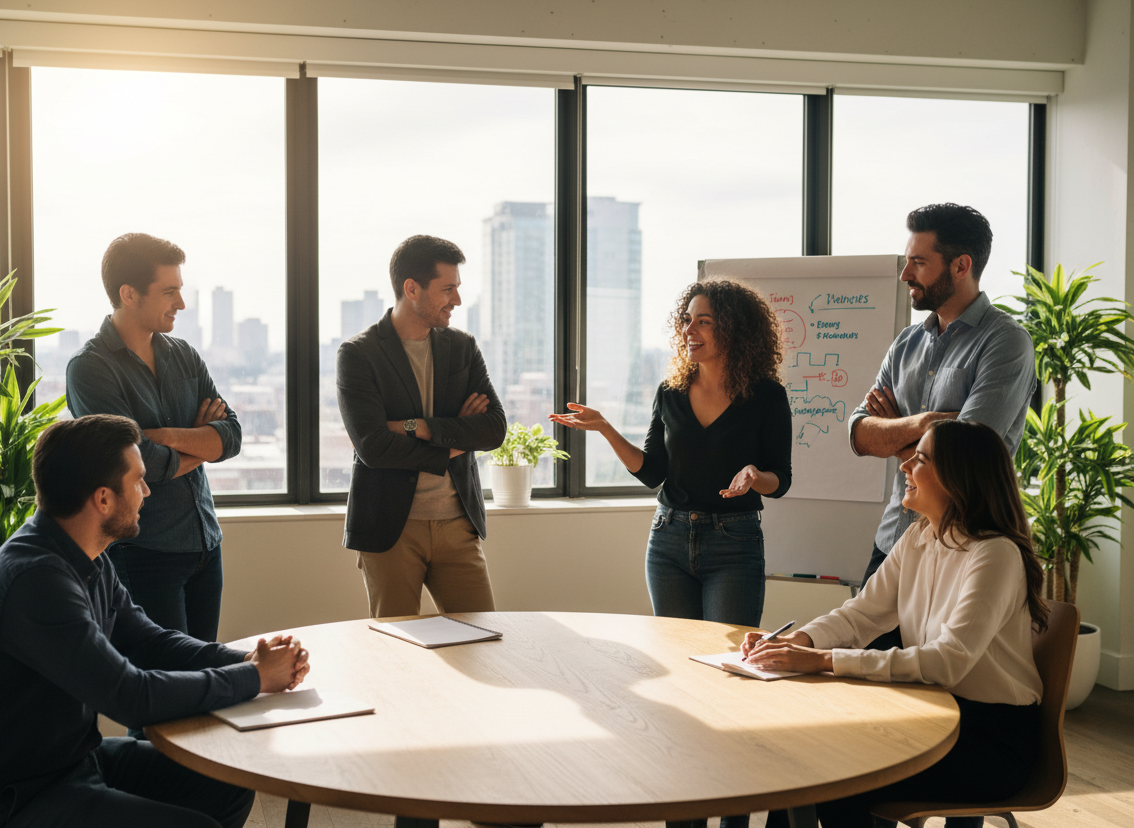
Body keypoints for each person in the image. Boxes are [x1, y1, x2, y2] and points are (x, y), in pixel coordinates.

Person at [0, 415, 309, 828]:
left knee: (227, 779)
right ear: (103, 499)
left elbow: (149, 642)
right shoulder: (35, 581)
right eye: (139, 480)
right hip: (5, 799)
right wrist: (252, 678)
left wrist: (245, 659)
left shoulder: (86, 556)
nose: (146, 492)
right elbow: (131, 696)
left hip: (66, 764)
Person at [743, 419, 1046, 828]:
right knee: (801, 757)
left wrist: (823, 660)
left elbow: (947, 662)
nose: (904, 465)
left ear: (959, 476)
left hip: (990, 737)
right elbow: (862, 614)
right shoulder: (920, 538)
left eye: (919, 458)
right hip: (932, 713)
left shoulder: (995, 554)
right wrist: (799, 640)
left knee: (835, 777)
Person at [551, 278, 792, 626]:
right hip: (669, 539)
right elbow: (651, 472)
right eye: (686, 319)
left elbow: (780, 480)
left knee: (725, 658)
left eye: (703, 321)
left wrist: (755, 476)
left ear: (735, 328)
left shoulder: (767, 395)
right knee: (679, 655)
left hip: (734, 544)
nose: (688, 330)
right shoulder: (671, 391)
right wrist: (605, 428)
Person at [850, 204, 1036, 603]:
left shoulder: (1006, 342)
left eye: (918, 262)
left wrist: (895, 427)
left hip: (961, 549)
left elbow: (963, 456)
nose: (905, 275)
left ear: (961, 266)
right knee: (852, 658)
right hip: (894, 542)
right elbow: (860, 434)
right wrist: (927, 424)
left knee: (933, 666)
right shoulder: (905, 343)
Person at [67, 233, 240, 645]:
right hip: (144, 554)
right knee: (167, 689)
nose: (181, 303)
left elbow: (229, 437)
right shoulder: (90, 370)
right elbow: (139, 463)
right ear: (129, 294)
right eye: (169, 292)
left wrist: (163, 438)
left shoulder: (184, 355)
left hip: (205, 546)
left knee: (206, 677)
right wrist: (199, 441)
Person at [336, 234, 507, 618]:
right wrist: (456, 435)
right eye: (447, 289)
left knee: (482, 643)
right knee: (397, 653)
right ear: (411, 288)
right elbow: (374, 447)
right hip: (390, 529)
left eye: (457, 289)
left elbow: (494, 429)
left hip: (459, 525)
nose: (457, 301)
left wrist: (418, 427)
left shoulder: (462, 347)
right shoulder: (358, 354)